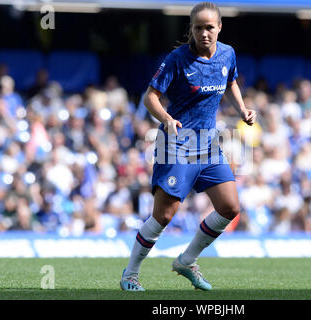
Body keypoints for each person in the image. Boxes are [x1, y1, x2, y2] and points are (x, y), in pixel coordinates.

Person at [120, 1, 256, 291]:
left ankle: (186, 260)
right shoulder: (177, 59)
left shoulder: (227, 54)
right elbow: (150, 97)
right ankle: (130, 273)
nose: (204, 33)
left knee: (230, 207)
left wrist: (242, 109)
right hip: (177, 144)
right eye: (198, 28)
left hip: (208, 145)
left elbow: (230, 82)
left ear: (219, 27)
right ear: (191, 30)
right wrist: (167, 119)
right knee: (164, 215)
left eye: (209, 27)